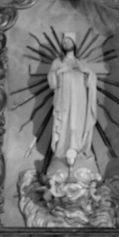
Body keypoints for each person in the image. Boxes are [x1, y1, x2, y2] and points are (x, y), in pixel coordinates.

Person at [47, 34, 99, 171]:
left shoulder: (80, 63)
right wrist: (61, 71)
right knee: (64, 123)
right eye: (64, 42)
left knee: (78, 123)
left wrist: (87, 72)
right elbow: (52, 82)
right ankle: (62, 151)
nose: (66, 44)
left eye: (68, 41)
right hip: (64, 99)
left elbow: (91, 78)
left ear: (74, 44)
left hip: (79, 98)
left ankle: (77, 149)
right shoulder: (57, 62)